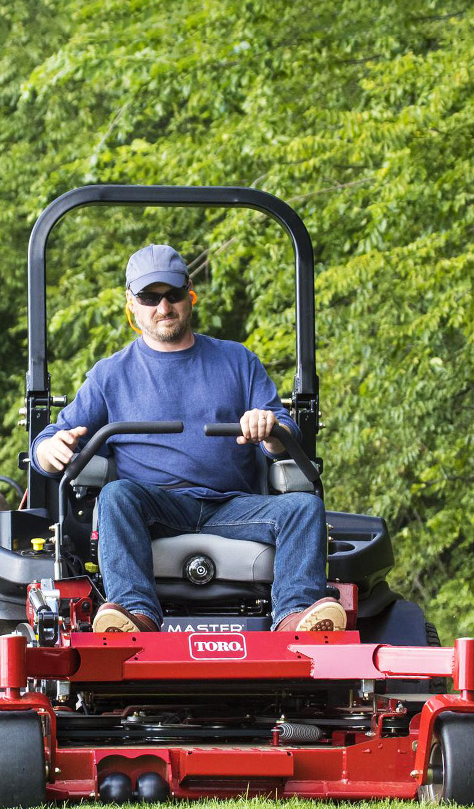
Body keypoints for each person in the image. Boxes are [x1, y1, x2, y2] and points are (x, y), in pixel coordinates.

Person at [31, 244, 346, 634]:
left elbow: (284, 431)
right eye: (149, 298)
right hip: (156, 509)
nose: (163, 308)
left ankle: (296, 616)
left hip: (234, 507)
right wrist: (48, 448)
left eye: (173, 295)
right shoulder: (110, 375)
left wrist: (269, 429)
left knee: (303, 506)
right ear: (131, 303)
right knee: (114, 496)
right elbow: (50, 439)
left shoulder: (237, 361)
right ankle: (135, 615)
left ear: (189, 293)